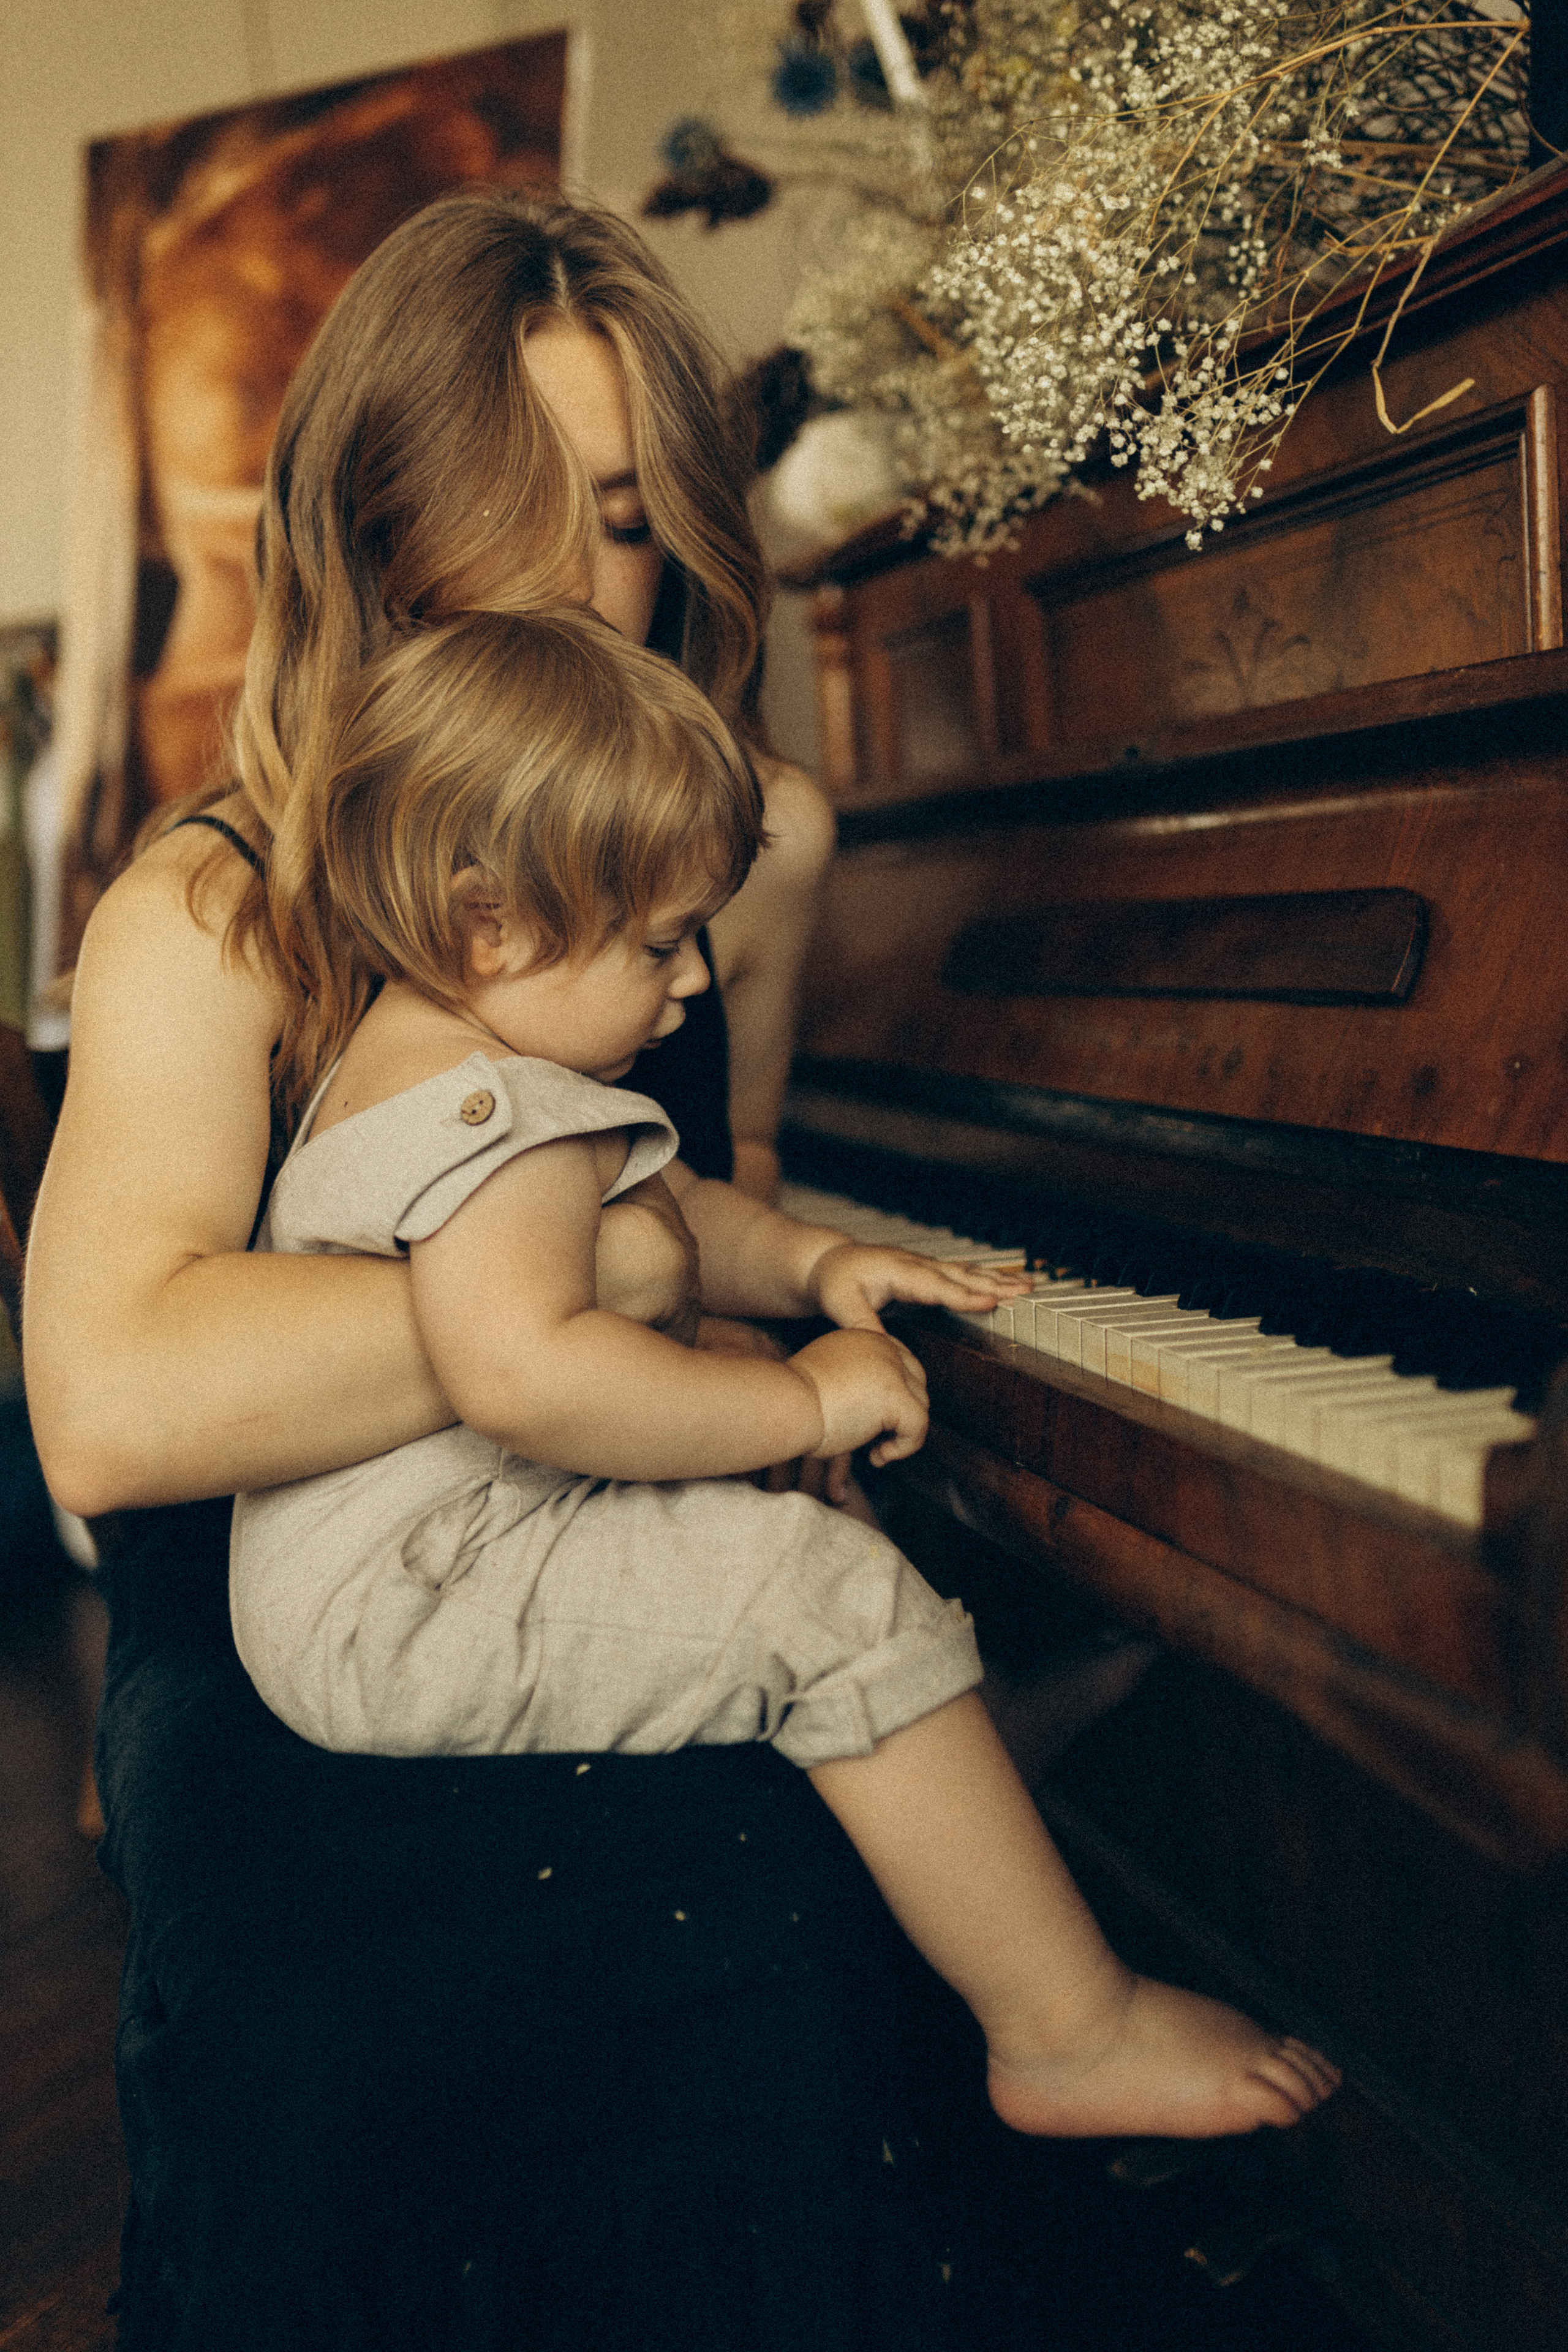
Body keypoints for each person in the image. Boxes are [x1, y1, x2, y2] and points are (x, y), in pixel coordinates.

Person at [22, 194, 1321, 2351]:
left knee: (803, 1906)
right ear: (375, 535)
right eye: (507, 506)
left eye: (621, 515)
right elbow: (116, 1409)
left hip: (608, 1496)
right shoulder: (218, 900)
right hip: (279, 1629)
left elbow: (726, 1169)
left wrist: (760, 1317)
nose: (567, 575)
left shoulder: (756, 844)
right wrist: (600, 1293)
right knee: (383, 2008)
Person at [230, 601, 1337, 2147]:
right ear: (489, 925)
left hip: (417, 1553)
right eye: (657, 943)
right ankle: (1063, 2031)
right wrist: (805, 1399)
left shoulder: (459, 1052)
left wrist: (817, 1267)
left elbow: (670, 1206)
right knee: (822, 1591)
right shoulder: (491, 1121)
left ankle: (947, 1755)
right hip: (408, 1601)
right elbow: (528, 1378)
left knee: (785, 1508)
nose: (692, 981)